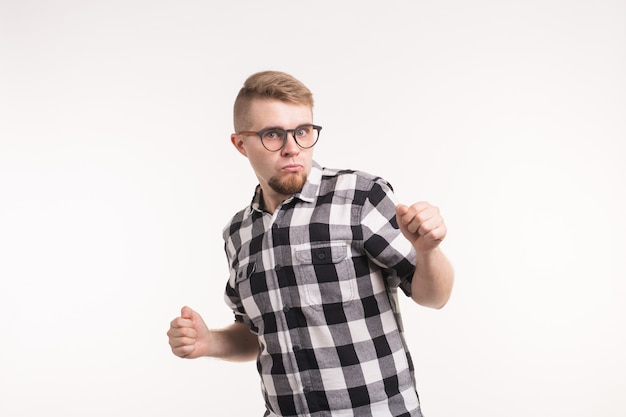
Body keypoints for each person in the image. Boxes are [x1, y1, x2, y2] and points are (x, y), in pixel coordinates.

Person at [167, 70, 454, 417]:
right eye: (272, 134)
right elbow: (255, 333)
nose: (292, 148)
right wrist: (209, 342)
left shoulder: (359, 197)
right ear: (240, 144)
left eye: (302, 131)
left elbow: (434, 297)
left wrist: (427, 250)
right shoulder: (238, 233)